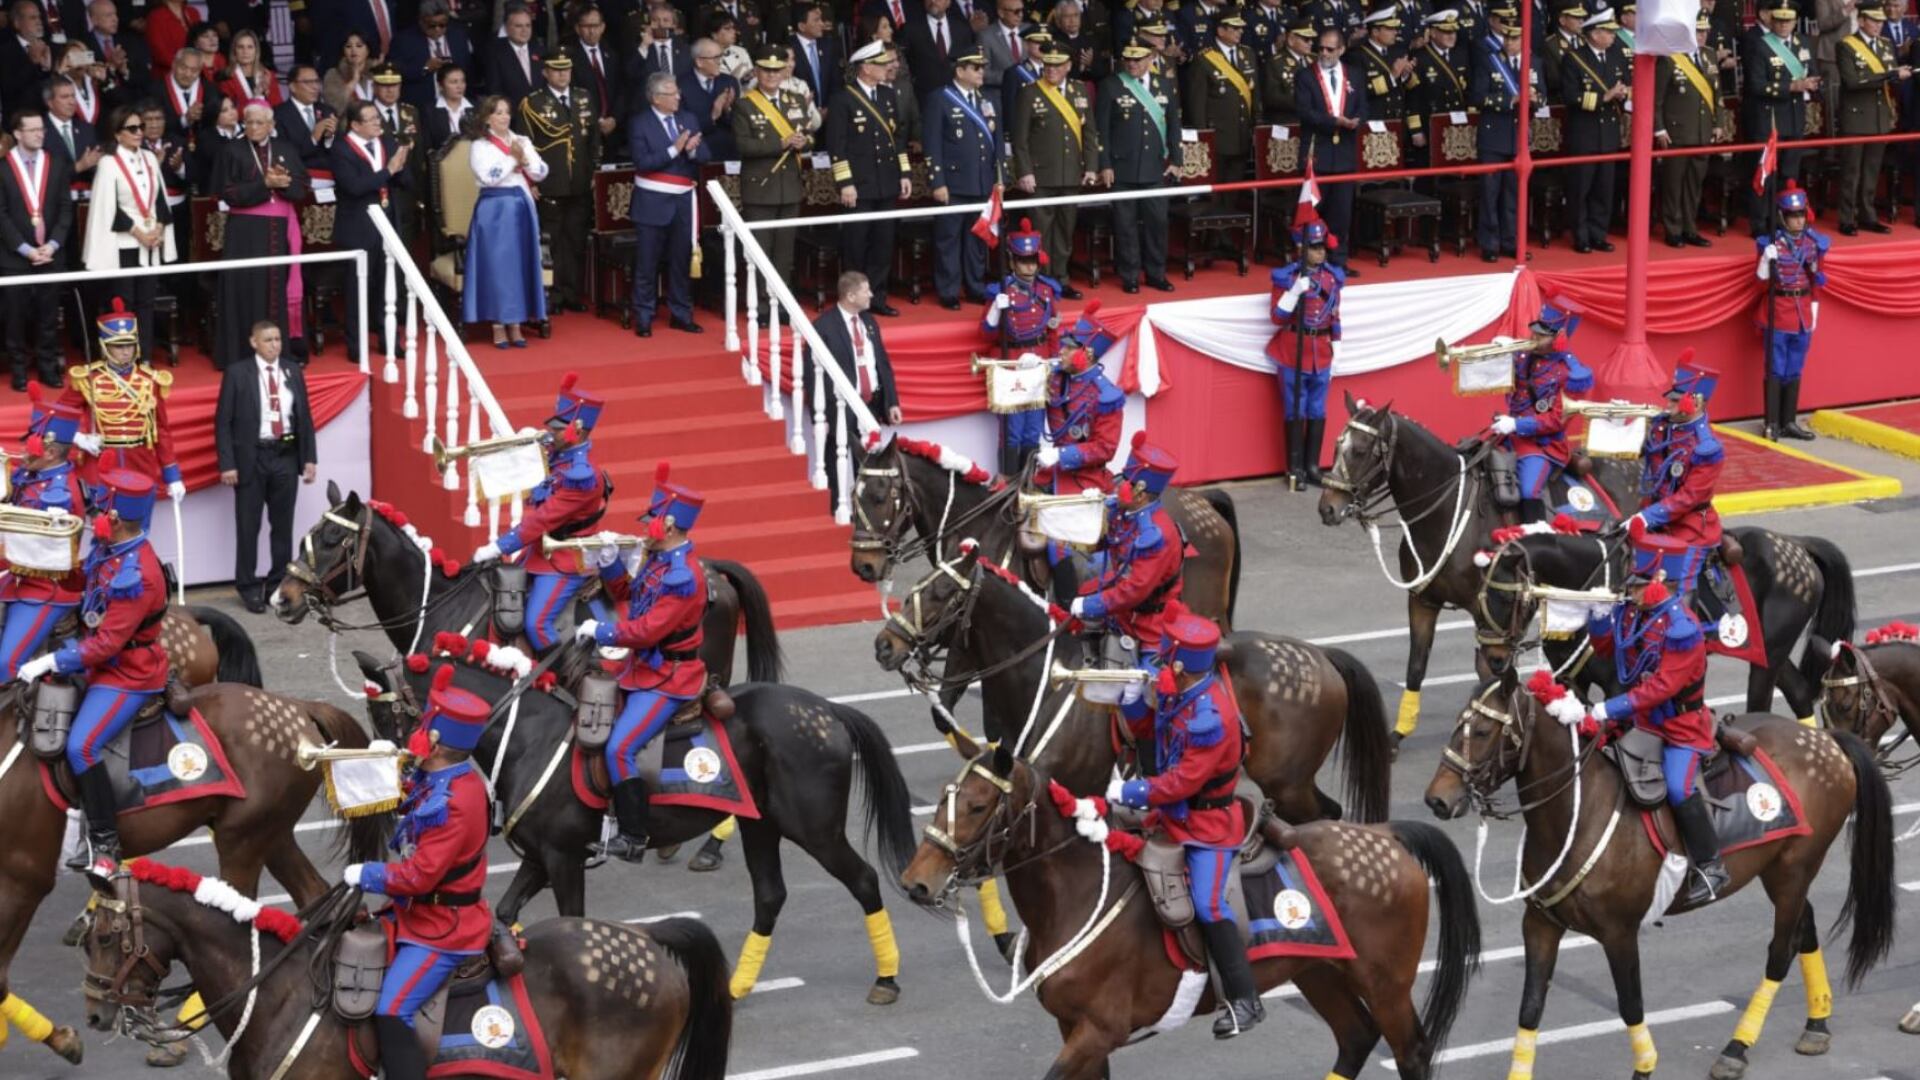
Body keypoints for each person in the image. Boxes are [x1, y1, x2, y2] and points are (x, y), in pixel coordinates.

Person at [1103, 613, 1265, 1038]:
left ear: (1178, 664)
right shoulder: (1183, 692)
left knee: (1209, 904)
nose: (1158, 666)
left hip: (1207, 823)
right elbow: (1153, 736)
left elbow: (1183, 780)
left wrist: (1133, 793)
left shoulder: (1210, 716)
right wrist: (1135, 700)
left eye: (1164, 659)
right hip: (1173, 813)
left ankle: (1245, 999)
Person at [342, 668, 495, 1080]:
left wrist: (369, 874)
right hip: (418, 913)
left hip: (445, 927)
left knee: (393, 1009)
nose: (417, 734)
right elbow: (409, 792)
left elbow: (419, 877)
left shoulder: (457, 800)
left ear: (436, 742)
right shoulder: (440, 776)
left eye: (424, 728)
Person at [17, 469, 167, 883]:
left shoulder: (138, 575)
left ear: (116, 518)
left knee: (81, 746)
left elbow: (106, 645)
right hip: (99, 659)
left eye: (102, 508)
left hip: (127, 673)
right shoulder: (109, 547)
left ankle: (105, 843)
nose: (95, 514)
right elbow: (82, 579)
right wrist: (30, 566)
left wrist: (52, 662)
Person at [574, 471, 709, 863]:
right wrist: (610, 563)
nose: (644, 526)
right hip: (642, 667)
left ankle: (633, 836)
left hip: (670, 677)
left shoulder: (684, 576)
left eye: (652, 519)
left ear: (667, 524)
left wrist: (600, 629)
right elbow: (629, 594)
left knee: (619, 747)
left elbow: (648, 630)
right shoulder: (660, 560)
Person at [1585, 535, 1725, 906]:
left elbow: (1664, 686)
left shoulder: (1683, 629)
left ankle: (1711, 865)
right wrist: (1598, 619)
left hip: (1679, 727)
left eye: (1638, 585)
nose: (1630, 590)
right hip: (1644, 720)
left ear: (1660, 582)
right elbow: (1609, 649)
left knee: (1679, 788)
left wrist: (1610, 708)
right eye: (1630, 584)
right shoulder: (1636, 612)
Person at [470, 373, 612, 652]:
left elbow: (543, 518)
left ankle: (558, 680)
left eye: (560, 428)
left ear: (578, 431)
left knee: (536, 623)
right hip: (541, 549)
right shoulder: (556, 455)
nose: (551, 433)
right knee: (502, 601)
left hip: (565, 558)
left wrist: (499, 545)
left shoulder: (581, 476)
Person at [214, 320, 317, 613]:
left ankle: (275, 584)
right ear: (254, 342)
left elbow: (304, 417)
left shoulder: (292, 370)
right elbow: (223, 422)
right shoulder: (237, 373)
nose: (274, 344)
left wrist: (309, 458)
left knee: (282, 527)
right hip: (252, 458)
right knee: (248, 526)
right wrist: (228, 464)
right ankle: (247, 586)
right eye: (268, 339)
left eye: (277, 339)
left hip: (284, 454)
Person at [1068, 433, 1184, 658]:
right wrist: (1087, 514)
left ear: (1140, 494)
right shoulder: (1125, 513)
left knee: (1145, 688)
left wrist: (1092, 605)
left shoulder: (1157, 535)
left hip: (1148, 623)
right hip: (1122, 606)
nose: (1118, 485)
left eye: (1126, 483)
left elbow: (1134, 590)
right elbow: (1106, 540)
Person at [215, 101, 310, 368]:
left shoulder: (286, 150)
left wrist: (284, 184)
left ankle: (283, 353)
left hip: (280, 232)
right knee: (245, 290)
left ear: (271, 125)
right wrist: (264, 184)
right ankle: (242, 355)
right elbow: (227, 192)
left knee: (278, 290)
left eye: (259, 123)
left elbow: (303, 185)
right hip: (244, 235)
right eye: (249, 122)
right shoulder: (232, 150)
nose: (253, 128)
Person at [1, 391, 87, 678]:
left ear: (50, 452)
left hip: (43, 587)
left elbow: (33, 548)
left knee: (5, 664)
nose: (23, 452)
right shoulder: (32, 474)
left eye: (30, 447)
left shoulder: (58, 496)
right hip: (15, 575)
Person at [61, 300, 183, 498]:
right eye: (118, 346)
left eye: (130, 345)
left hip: (140, 460)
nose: (126, 351)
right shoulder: (88, 379)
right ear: (105, 346)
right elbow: (53, 416)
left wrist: (172, 475)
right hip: (102, 462)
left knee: (139, 526)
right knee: (105, 525)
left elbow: (161, 430)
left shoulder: (150, 379)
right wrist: (78, 438)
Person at [1487, 295, 1593, 524]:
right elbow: (1506, 385)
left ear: (1559, 337)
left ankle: (1535, 534)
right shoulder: (1525, 356)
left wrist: (1517, 424)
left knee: (1527, 490)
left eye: (1542, 334)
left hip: (1544, 445)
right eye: (1535, 331)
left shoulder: (1572, 373)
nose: (1534, 336)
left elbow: (1556, 420)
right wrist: (1501, 356)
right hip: (1510, 435)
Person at [83, 105, 175, 365]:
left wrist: (157, 229)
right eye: (132, 128)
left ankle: (143, 357)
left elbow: (159, 198)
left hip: (150, 241)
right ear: (117, 133)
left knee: (147, 301)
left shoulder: (148, 157)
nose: (138, 132)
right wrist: (138, 233)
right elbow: (108, 208)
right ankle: (122, 359)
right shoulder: (108, 163)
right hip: (123, 243)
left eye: (141, 127)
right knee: (126, 302)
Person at [1625, 358, 1723, 601]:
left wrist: (1646, 517)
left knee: (1675, 591)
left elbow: (1688, 498)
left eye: (1675, 401)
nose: (1667, 404)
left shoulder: (1706, 447)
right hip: (1653, 517)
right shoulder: (1661, 426)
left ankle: (1687, 631)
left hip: (1689, 527)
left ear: (1696, 402)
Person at [827, 40, 913, 316]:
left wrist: (905, 173)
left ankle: (876, 297)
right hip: (859, 186)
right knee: (856, 245)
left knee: (883, 243)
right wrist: (845, 183)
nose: (887, 67)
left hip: (886, 182)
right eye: (880, 63)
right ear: (865, 68)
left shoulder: (888, 96)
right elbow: (837, 147)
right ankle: (853, 300)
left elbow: (897, 139)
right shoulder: (843, 99)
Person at [460, 94, 547, 347]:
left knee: (519, 265)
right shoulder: (480, 146)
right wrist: (513, 159)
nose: (504, 117)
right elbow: (489, 177)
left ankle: (516, 323)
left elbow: (541, 172)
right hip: (494, 210)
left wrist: (525, 160)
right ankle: (498, 325)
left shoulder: (522, 140)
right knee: (498, 267)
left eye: (507, 112)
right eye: (498, 112)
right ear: (487, 118)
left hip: (521, 206)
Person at [1012, 46, 1098, 298]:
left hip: (1071, 174)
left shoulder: (1079, 91)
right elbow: (1020, 140)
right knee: (1041, 232)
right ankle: (1039, 281)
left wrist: (1091, 166)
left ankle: (1061, 279)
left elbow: (1090, 133)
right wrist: (1024, 171)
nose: (1051, 69)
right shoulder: (1030, 93)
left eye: (1057, 65)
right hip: (1040, 176)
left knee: (1064, 231)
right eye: (1047, 65)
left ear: (1068, 66)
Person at [812, 270, 902, 508]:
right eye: (866, 290)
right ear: (851, 295)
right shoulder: (824, 327)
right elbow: (814, 377)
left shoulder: (869, 321)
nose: (871, 294)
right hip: (840, 408)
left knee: (871, 464)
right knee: (838, 463)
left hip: (870, 404)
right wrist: (821, 416)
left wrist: (892, 402)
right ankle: (838, 511)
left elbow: (881, 362)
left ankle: (869, 514)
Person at [1265, 212, 1342, 489]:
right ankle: (1295, 468)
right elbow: (1277, 317)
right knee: (1294, 409)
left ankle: (1312, 467)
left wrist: (1338, 349)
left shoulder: (1332, 279)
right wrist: (1294, 291)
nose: (1321, 254)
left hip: (1320, 352)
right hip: (1292, 352)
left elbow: (1334, 316)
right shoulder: (1287, 279)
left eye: (1323, 248)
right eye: (1315, 248)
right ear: (1301, 249)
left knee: (1317, 409)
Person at [627, 72, 706, 338]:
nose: (678, 97)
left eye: (677, 92)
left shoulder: (688, 118)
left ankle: (681, 314)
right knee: (647, 264)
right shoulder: (640, 123)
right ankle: (644, 315)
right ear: (656, 98)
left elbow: (705, 155)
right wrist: (675, 149)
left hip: (683, 202)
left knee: (680, 261)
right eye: (672, 94)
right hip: (652, 202)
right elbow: (643, 162)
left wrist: (693, 149)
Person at [518, 55, 598, 315]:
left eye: (567, 69)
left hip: (579, 181)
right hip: (550, 182)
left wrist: (594, 171)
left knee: (575, 239)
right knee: (550, 240)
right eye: (556, 70)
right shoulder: (533, 102)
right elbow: (524, 146)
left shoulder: (583, 97)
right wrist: (530, 180)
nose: (562, 75)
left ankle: (571, 292)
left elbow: (593, 139)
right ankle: (550, 294)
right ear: (545, 73)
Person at [2, 110, 75, 391]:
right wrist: (25, 249)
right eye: (32, 130)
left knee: (48, 316)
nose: (39, 133)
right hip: (14, 257)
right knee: (15, 316)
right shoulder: (3, 167)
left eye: (41, 129)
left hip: (51, 254)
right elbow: (2, 215)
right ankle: (19, 370)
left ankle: (47, 367)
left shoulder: (55, 164)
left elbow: (66, 209)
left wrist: (52, 244)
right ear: (17, 134)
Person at [980, 221, 1061, 475]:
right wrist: (995, 310)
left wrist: (1054, 360)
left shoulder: (1047, 291)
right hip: (1012, 365)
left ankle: (1029, 482)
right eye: (1023, 261)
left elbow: (1053, 329)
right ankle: (1009, 483)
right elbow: (985, 333)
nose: (1030, 266)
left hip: (1038, 364)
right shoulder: (1001, 291)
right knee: (1012, 432)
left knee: (1033, 430)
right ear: (1012, 262)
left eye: (1033, 261)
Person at [331, 100, 408, 366]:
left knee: (389, 283)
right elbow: (353, 187)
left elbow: (400, 179)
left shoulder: (385, 141)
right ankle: (357, 344)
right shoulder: (341, 148)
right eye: (371, 119)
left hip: (388, 220)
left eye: (378, 117)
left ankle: (390, 341)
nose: (378, 122)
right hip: (358, 226)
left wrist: (401, 166)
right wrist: (389, 170)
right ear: (355, 125)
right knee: (358, 288)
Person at [1098, 42, 1177, 295]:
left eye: (1138, 60)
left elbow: (1174, 124)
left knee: (1157, 224)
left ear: (1151, 58)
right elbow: (1103, 130)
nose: (1132, 64)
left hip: (1154, 168)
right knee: (1126, 226)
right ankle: (1130, 275)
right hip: (1123, 168)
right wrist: (1105, 164)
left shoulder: (1164, 85)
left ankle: (1156, 274)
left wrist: (1177, 159)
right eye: (1128, 60)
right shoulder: (1111, 85)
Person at [925, 48, 1001, 309]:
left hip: (981, 181)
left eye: (983, 67)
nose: (982, 72)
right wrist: (938, 182)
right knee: (949, 240)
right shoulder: (941, 98)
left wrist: (997, 178)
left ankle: (975, 286)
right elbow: (932, 143)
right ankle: (948, 291)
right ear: (959, 71)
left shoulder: (988, 98)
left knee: (977, 239)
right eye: (975, 67)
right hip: (954, 183)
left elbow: (996, 143)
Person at [734, 44, 812, 292]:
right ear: (756, 72)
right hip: (760, 188)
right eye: (766, 70)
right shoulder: (745, 105)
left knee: (784, 252)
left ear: (783, 72)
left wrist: (804, 142)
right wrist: (780, 143)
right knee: (761, 252)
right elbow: (743, 145)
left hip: (790, 186)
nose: (771, 75)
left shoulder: (796, 100)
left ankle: (783, 304)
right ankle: (763, 307)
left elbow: (809, 136)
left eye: (776, 70)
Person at [1756, 183, 1828, 441]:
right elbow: (1761, 284)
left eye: (1800, 215)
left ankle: (1789, 421)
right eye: (1792, 216)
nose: (1798, 221)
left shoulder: (1813, 244)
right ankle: (1772, 422)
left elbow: (1816, 280)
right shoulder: (1770, 244)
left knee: (1795, 368)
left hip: (1802, 314)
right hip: (1779, 312)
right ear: (1782, 218)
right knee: (1775, 368)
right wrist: (1765, 262)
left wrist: (1814, 311)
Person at [1836, 5, 1911, 235]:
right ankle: (1846, 219)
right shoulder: (1846, 45)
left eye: (1880, 21)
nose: (1878, 25)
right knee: (1851, 172)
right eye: (1872, 20)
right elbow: (1853, 81)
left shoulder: (1887, 45)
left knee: (1871, 171)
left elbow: (1890, 80)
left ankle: (1868, 216)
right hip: (1856, 117)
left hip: (1879, 116)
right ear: (1861, 21)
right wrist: (1890, 75)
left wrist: (1898, 76)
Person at [1742, 6, 1816, 236]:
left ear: (1795, 22)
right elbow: (1755, 85)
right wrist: (1791, 86)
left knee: (1789, 173)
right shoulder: (1760, 45)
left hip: (1794, 117)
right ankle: (1760, 222)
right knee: (1766, 175)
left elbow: (1812, 71)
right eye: (1779, 21)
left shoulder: (1802, 42)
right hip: (1770, 119)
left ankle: (1784, 218)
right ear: (1771, 22)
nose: (1784, 25)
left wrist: (1813, 83)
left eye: (1788, 21)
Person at [1296, 29, 1364, 275]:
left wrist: (1356, 121)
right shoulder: (1305, 75)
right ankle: (1311, 262)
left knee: (1342, 212)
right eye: (1321, 48)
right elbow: (1305, 112)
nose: (1324, 53)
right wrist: (1335, 121)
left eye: (1330, 49)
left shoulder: (1354, 74)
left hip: (1344, 151)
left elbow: (1363, 106)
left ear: (1342, 50)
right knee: (1314, 211)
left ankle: (1338, 262)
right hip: (1318, 151)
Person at [1562, 8, 1628, 254]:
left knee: (1604, 188)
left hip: (1609, 132)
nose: (1612, 37)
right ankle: (1581, 236)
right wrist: (1605, 97)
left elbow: (1626, 86)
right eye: (1608, 32)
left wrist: (1623, 95)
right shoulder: (1574, 58)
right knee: (1581, 188)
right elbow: (1571, 96)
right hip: (1585, 132)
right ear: (1594, 33)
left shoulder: (1616, 57)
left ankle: (1599, 233)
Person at [1653, 10, 1721, 248]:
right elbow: (1657, 99)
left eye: (1704, 31)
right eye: (1697, 31)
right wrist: (1659, 129)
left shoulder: (1710, 56)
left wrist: (1718, 123)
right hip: (1677, 132)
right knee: (1673, 184)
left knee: (1694, 184)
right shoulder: (1670, 58)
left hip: (1702, 131)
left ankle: (1690, 228)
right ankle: (1673, 229)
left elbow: (1716, 93)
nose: (1701, 36)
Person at [1471, 23, 1538, 262]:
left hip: (1518, 137)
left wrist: (1534, 98)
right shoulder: (1490, 62)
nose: (1510, 43)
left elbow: (1542, 94)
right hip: (1493, 136)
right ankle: (1489, 244)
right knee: (1490, 194)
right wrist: (1511, 100)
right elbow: (1478, 96)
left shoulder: (1533, 63)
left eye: (1515, 39)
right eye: (1507, 39)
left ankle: (1511, 242)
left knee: (1514, 194)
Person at [1185, 9, 1257, 193]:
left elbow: (1255, 94)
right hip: (1218, 135)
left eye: (1241, 28)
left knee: (1235, 186)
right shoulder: (1205, 59)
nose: (1240, 31)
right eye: (1234, 28)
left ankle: (1233, 217)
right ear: (1221, 31)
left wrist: (1257, 123)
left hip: (1241, 132)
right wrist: (1203, 136)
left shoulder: (1247, 54)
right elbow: (1197, 103)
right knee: (1216, 187)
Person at [389, 0, 472, 111]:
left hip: (455, 105)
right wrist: (425, 68)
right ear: (421, 22)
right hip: (421, 106)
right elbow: (395, 71)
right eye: (432, 25)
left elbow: (467, 67)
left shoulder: (458, 36)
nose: (437, 29)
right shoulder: (404, 40)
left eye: (442, 24)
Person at [567, 3, 625, 156]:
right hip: (584, 132)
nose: (591, 31)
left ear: (603, 27)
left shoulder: (613, 53)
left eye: (595, 25)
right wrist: (595, 121)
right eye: (586, 26)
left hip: (613, 132)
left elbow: (622, 89)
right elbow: (572, 93)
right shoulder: (569, 57)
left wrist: (614, 119)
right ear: (577, 28)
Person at [276, 65, 340, 174]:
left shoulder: (327, 111)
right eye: (308, 82)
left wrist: (330, 137)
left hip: (330, 174)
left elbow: (340, 150)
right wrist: (314, 138)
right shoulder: (278, 115)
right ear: (292, 87)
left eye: (316, 81)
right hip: (299, 176)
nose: (315, 87)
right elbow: (284, 155)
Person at [219, 27, 280, 105]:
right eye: (240, 47)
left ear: (256, 51)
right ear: (234, 51)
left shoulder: (268, 75)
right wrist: (257, 96)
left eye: (250, 47)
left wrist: (268, 93)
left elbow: (277, 106)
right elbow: (230, 112)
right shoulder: (226, 78)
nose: (245, 51)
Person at [322, 29, 377, 114]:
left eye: (359, 46)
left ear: (368, 50)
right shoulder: (333, 74)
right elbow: (333, 107)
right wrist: (354, 80)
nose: (353, 50)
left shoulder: (376, 73)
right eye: (348, 46)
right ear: (343, 51)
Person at [423, 63, 473, 150]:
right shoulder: (430, 111)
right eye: (454, 82)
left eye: (462, 81)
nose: (459, 86)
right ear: (440, 86)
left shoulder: (476, 107)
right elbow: (428, 147)